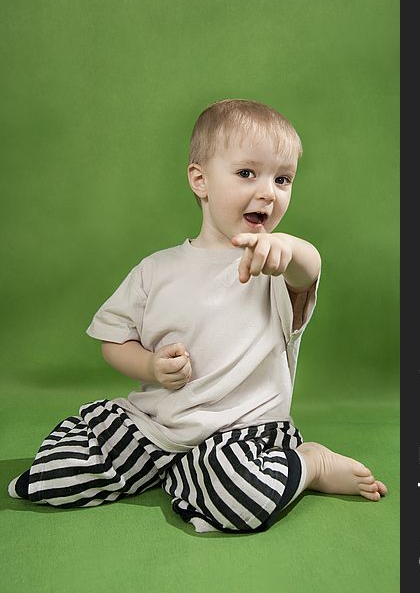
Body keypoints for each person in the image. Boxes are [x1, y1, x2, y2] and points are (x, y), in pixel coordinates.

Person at [8, 99, 387, 533]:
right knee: (53, 473)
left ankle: (309, 463)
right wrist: (149, 365)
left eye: (283, 179)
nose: (268, 191)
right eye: (247, 173)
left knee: (240, 499)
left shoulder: (274, 268)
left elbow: (308, 269)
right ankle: (178, 471)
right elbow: (113, 340)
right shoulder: (156, 269)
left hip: (243, 435)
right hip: (156, 425)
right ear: (200, 180)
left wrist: (291, 249)